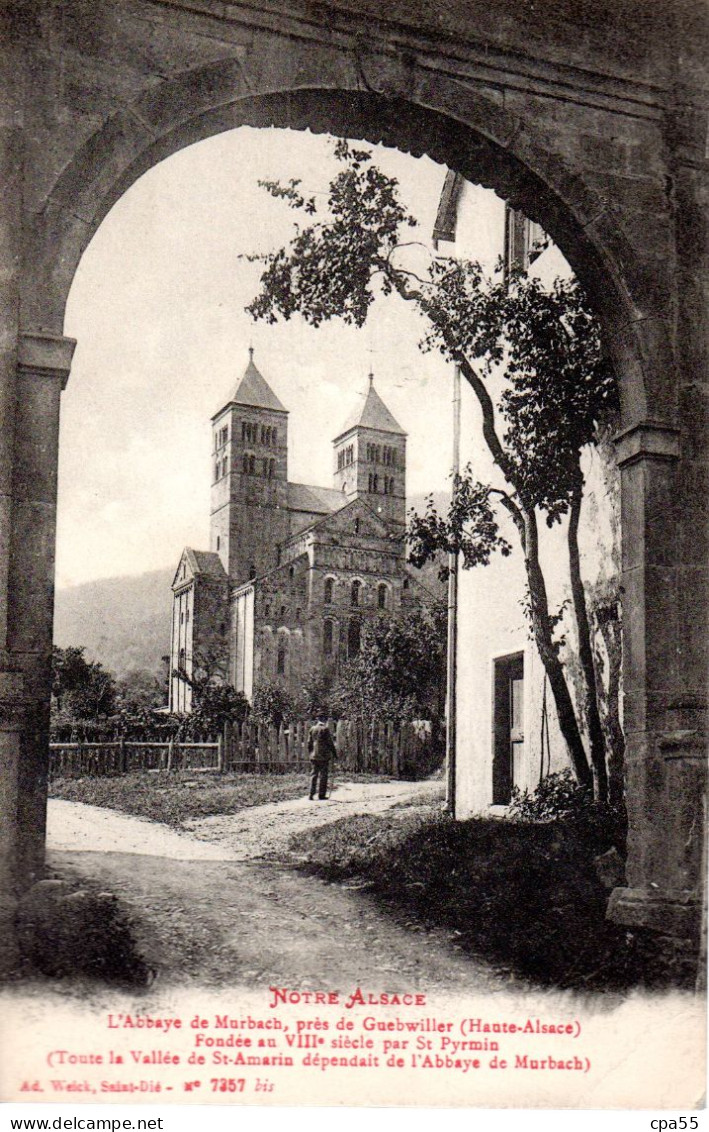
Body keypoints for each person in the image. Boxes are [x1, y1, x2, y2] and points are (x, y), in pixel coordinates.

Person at [307, 716, 336, 800]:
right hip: (323, 756)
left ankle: (311, 794)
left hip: (314, 755)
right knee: (323, 775)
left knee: (314, 775)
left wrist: (310, 753)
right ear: (324, 720)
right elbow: (330, 743)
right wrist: (334, 753)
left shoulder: (312, 729)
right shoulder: (325, 729)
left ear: (317, 719)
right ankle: (321, 795)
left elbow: (309, 742)